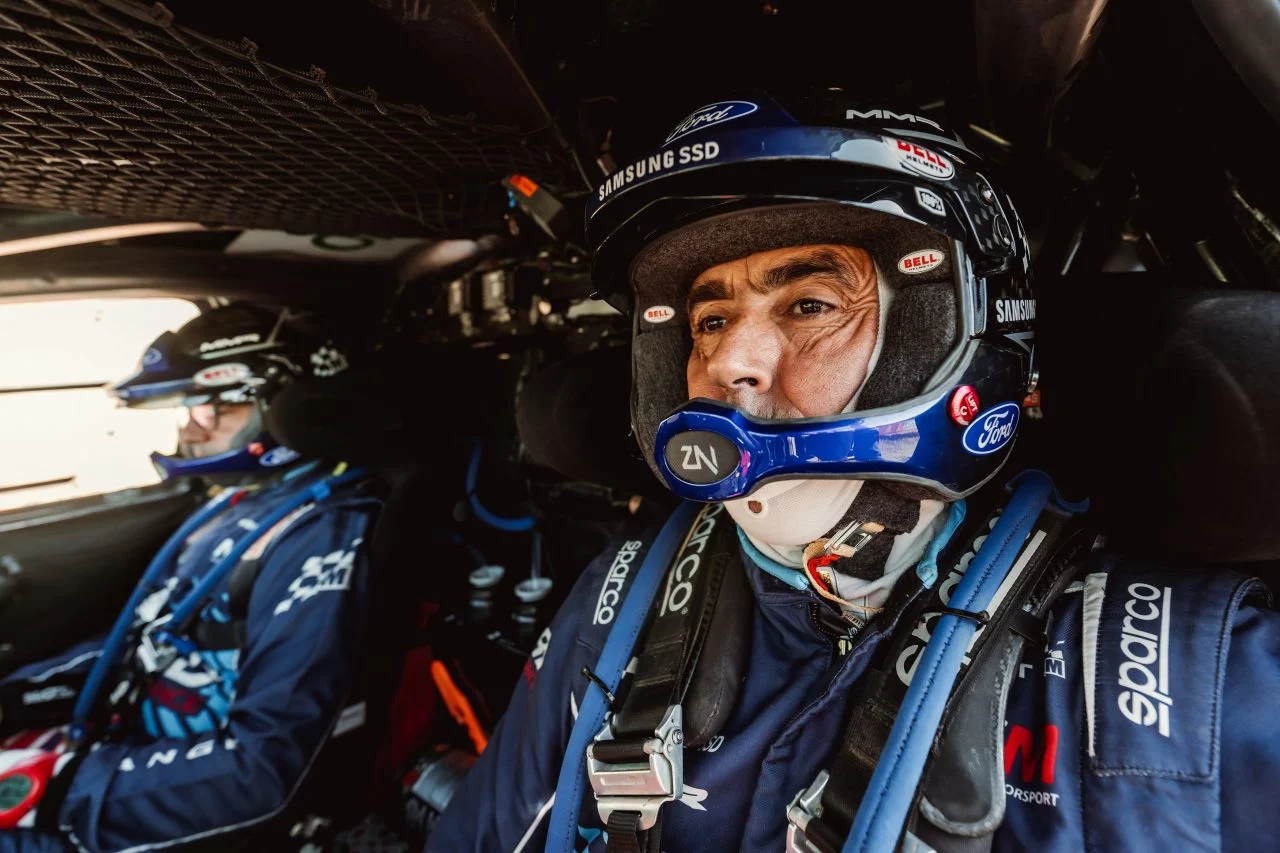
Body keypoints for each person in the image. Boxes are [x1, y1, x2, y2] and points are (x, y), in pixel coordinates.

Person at [429, 95, 1280, 852]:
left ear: (940, 340)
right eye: (710, 319)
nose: (733, 363)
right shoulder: (618, 604)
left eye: (809, 305)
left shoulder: (1197, 683)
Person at [0, 304, 381, 853]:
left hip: (187, 800)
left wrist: (60, 790)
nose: (190, 426)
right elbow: (140, 644)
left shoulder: (318, 537)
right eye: (189, 407)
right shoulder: (233, 505)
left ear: (288, 409)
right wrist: (17, 699)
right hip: (128, 754)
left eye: (213, 406)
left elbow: (263, 771)